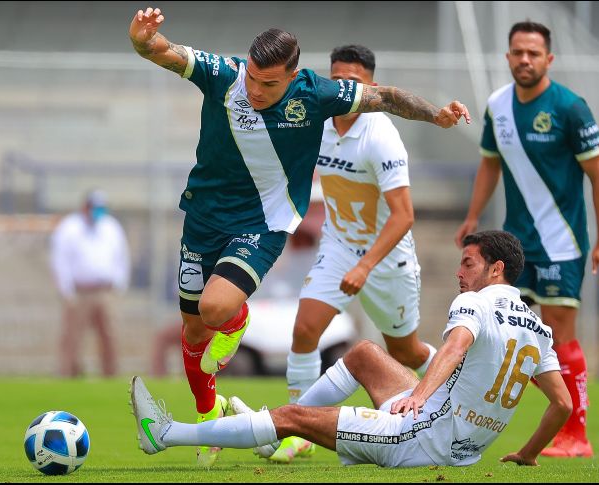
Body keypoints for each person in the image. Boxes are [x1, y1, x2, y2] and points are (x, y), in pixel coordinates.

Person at [128, 6, 470, 467]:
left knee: (215, 310)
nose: (254, 90)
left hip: (262, 224)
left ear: (293, 76)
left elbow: (386, 97)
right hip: (202, 218)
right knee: (193, 328)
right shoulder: (224, 74)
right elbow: (162, 52)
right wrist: (141, 40)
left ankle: (236, 324)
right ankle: (208, 414)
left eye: (269, 83)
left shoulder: (317, 94)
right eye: (252, 78)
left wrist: (438, 116)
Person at [129, 230, 572, 468]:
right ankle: (271, 437)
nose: (459, 272)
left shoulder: (473, 302)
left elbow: (455, 348)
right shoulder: (537, 325)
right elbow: (562, 404)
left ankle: (166, 435)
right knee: (363, 353)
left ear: (496, 269)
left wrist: (417, 398)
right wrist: (528, 453)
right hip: (459, 442)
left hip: (418, 439)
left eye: (468, 263)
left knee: (291, 417)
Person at [453, 21, 599, 458]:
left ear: (549, 59)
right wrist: (471, 217)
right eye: (518, 53)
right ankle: (466, 422)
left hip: (562, 243)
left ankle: (575, 434)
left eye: (534, 53)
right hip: (513, 245)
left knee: (560, 331)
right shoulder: (497, 106)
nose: (525, 60)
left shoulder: (570, 107)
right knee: (496, 329)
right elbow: (489, 164)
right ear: (508, 57)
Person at [272, 45, 438, 463]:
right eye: (337, 79)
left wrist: (367, 266)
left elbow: (404, 216)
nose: (345, 88)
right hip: (339, 245)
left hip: (387, 259)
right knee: (305, 331)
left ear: (373, 87)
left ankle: (459, 382)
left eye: (355, 81)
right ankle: (299, 430)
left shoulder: (381, 137)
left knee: (406, 353)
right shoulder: (320, 122)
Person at [49, 190, 130, 378]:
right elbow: (60, 260)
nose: (97, 211)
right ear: (85, 206)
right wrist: (66, 290)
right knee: (73, 336)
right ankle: (69, 373)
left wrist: (119, 285)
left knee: (110, 335)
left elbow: (121, 257)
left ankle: (110, 374)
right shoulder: (70, 227)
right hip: (80, 291)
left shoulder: (111, 227)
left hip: (105, 291)